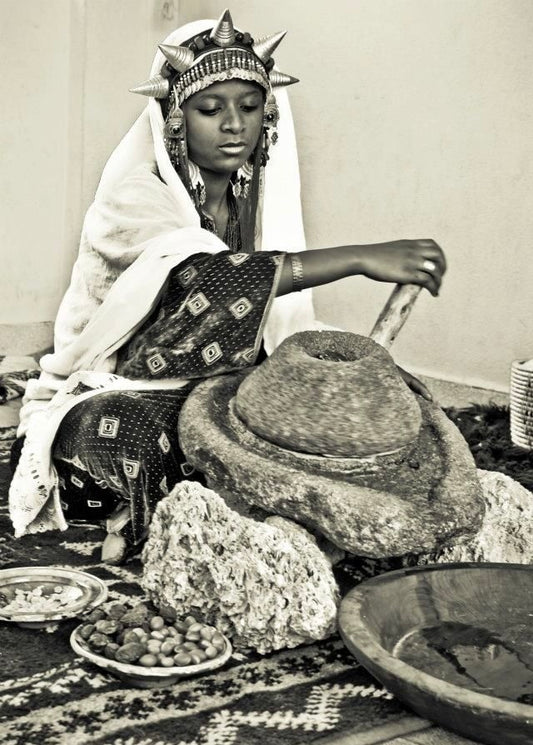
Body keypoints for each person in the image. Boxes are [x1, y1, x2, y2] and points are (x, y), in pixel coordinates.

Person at [9, 10, 445, 564]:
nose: (234, 125)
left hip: (222, 382)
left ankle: (277, 506)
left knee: (373, 400)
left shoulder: (251, 202)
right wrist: (358, 258)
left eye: (250, 107)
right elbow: (208, 285)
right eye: (211, 109)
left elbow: (268, 330)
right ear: (174, 117)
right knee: (151, 441)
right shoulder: (134, 197)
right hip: (114, 391)